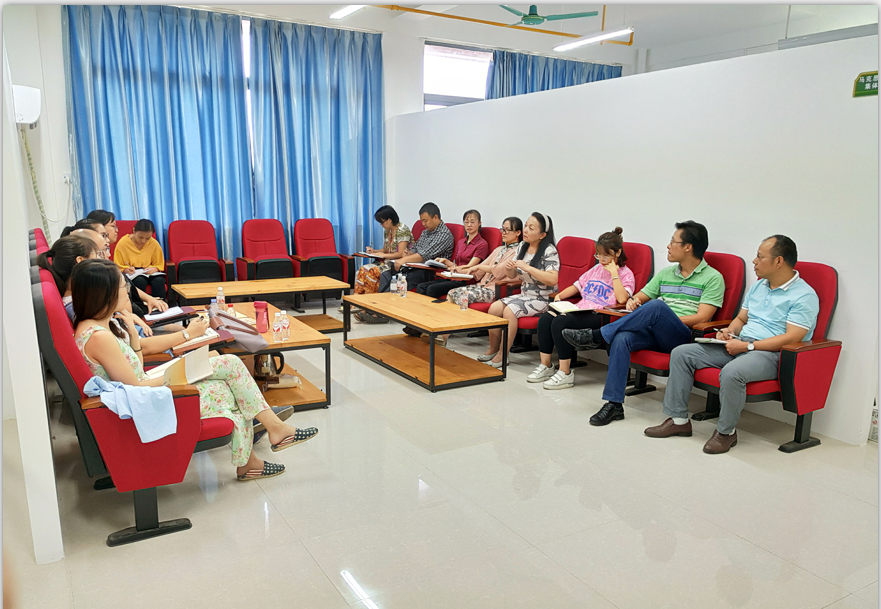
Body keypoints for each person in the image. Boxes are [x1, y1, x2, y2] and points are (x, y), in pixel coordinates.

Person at [71, 260, 317, 481]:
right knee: (229, 374)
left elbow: (134, 369)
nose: (128, 290)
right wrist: (182, 374)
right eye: (122, 286)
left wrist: (134, 338)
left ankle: (261, 447)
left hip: (144, 390)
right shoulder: (99, 337)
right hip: (144, 401)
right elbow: (134, 386)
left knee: (227, 377)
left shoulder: (98, 326)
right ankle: (267, 438)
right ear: (104, 293)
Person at [644, 235, 819, 454]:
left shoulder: (804, 295)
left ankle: (726, 433)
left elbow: (793, 337)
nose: (754, 261)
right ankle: (678, 421)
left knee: (732, 372)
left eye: (760, 256)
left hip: (772, 353)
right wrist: (729, 331)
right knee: (682, 353)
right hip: (741, 344)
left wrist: (749, 346)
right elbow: (741, 318)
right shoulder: (759, 286)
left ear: (778, 261)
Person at [562, 221, 724, 426]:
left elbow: (702, 318)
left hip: (682, 337)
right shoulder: (666, 273)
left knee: (657, 307)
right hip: (654, 332)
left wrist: (663, 318)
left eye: (673, 241)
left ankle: (597, 335)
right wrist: (634, 301)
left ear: (688, 247)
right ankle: (614, 404)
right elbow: (640, 296)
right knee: (622, 338)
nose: (668, 246)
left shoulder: (713, 278)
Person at [39, 234, 208, 355]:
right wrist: (188, 334)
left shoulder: (82, 300)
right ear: (81, 262)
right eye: (98, 254)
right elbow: (137, 349)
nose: (105, 258)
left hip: (140, 345)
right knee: (211, 351)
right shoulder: (83, 309)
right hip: (148, 355)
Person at [528, 227, 636, 390]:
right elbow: (577, 286)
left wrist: (614, 273)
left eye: (606, 255)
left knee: (560, 322)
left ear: (618, 253)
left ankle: (565, 373)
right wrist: (560, 296)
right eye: (598, 255)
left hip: (600, 315)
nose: (601, 260)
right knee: (546, 318)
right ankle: (546, 365)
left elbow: (622, 299)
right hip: (580, 309)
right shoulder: (596, 269)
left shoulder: (626, 274)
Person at [481, 213, 559, 368]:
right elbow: (512, 275)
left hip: (542, 299)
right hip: (524, 295)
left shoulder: (549, 251)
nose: (526, 230)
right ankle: (493, 348)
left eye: (531, 228)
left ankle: (503, 355)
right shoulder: (523, 246)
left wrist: (528, 268)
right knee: (494, 308)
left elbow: (552, 279)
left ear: (542, 234)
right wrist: (510, 268)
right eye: (526, 226)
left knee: (510, 310)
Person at [376, 202, 454, 293]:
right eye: (422, 221)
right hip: (415, 266)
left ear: (435, 217)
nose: (423, 224)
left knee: (396, 284)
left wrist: (403, 259)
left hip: (430, 272)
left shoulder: (444, 235)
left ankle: (387, 300)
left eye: (425, 221)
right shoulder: (426, 232)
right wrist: (409, 253)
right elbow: (416, 248)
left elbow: (423, 255)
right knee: (386, 275)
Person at [354, 205, 412, 322]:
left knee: (372, 272)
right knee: (363, 270)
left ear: (389, 220)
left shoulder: (403, 230)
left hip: (397, 264)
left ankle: (370, 307)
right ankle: (357, 303)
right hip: (387, 261)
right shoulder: (388, 231)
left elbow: (400, 254)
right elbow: (385, 249)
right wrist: (375, 251)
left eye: (382, 222)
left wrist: (383, 255)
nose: (381, 225)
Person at [414, 209, 489, 299]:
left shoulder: (482, 244)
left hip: (465, 279)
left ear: (479, 223)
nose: (469, 225)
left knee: (432, 289)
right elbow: (456, 264)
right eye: (466, 222)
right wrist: (445, 261)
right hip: (453, 276)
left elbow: (471, 266)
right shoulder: (461, 242)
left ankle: (431, 309)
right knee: (421, 287)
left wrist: (454, 268)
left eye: (472, 222)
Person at [113, 219, 167, 300]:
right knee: (140, 281)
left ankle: (161, 305)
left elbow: (159, 264)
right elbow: (118, 264)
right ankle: (140, 305)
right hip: (133, 272)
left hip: (149, 271)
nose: (143, 241)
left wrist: (155, 268)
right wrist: (126, 269)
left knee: (159, 281)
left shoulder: (154, 243)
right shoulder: (123, 243)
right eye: (140, 237)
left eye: (147, 238)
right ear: (134, 230)